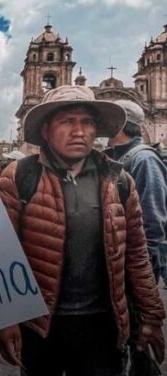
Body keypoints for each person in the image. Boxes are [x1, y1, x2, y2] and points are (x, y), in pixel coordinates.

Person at [0, 85, 165, 375]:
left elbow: (136, 253)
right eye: (67, 121)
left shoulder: (119, 180)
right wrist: (5, 318)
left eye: (87, 122)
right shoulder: (19, 176)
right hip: (40, 327)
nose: (79, 131)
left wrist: (151, 315)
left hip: (103, 328)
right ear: (46, 130)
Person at [106, 99, 167, 375]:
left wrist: (144, 285)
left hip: (134, 270)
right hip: (116, 272)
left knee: (135, 345)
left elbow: (153, 225)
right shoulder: (117, 155)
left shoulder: (143, 159)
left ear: (119, 123)